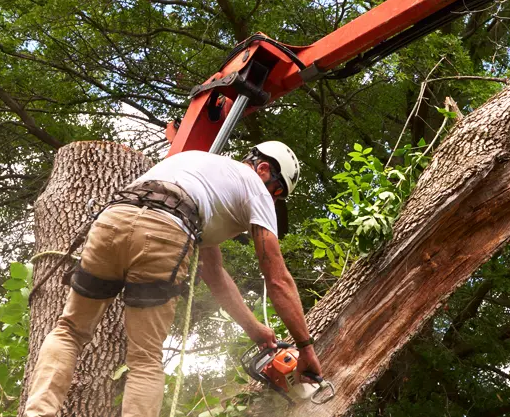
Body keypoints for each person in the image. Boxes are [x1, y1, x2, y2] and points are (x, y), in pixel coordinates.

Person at [23, 141, 322, 417]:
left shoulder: (200, 168)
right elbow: (277, 278)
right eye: (277, 191)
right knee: (145, 357)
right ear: (264, 168)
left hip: (112, 219)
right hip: (166, 230)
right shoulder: (255, 189)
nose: (273, 199)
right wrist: (306, 348)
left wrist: (255, 329)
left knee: (69, 330)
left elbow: (213, 273)